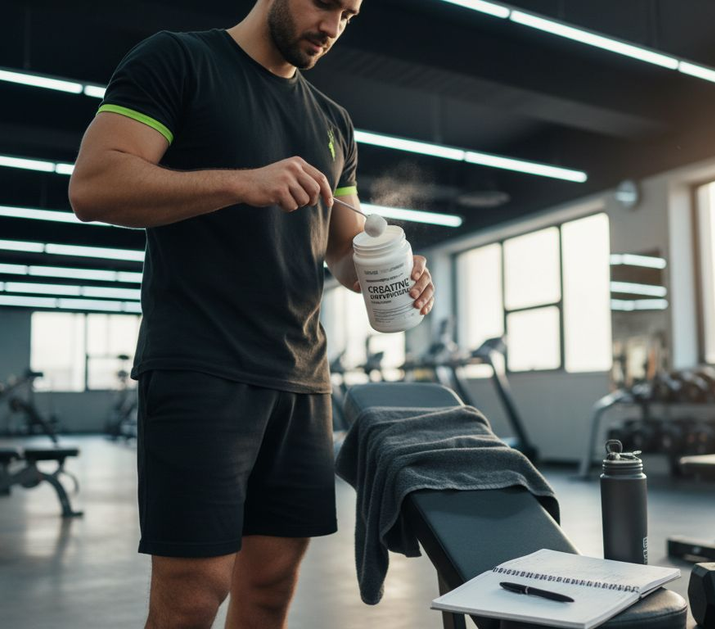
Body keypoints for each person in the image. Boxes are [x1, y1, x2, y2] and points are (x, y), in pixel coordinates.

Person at [68, 0, 435, 627]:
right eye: (325, 4)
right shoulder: (180, 60)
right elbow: (94, 186)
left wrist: (389, 271)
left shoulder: (332, 122)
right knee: (195, 592)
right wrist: (241, 183)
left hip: (301, 380)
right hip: (201, 366)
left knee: (268, 590)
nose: (333, 27)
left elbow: (340, 250)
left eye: (349, 15)